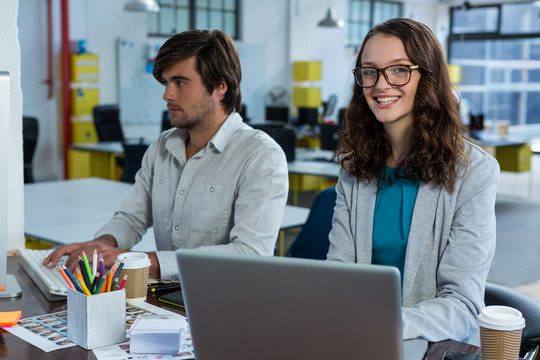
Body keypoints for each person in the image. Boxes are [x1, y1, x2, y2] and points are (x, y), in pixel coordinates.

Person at [44, 29, 289, 281]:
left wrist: (136, 261)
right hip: (168, 297)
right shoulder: (162, 146)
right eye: (166, 83)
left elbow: (251, 253)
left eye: (180, 82)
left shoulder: (261, 156)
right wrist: (100, 247)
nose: (167, 95)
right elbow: (132, 218)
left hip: (227, 303)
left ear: (220, 86)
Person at [326, 18, 499, 345]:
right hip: (357, 341)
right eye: (369, 71)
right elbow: (339, 276)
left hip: (433, 346)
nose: (381, 84)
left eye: (400, 69)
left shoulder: (474, 173)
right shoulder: (355, 168)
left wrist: (384, 324)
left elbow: (463, 305)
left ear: (429, 77)